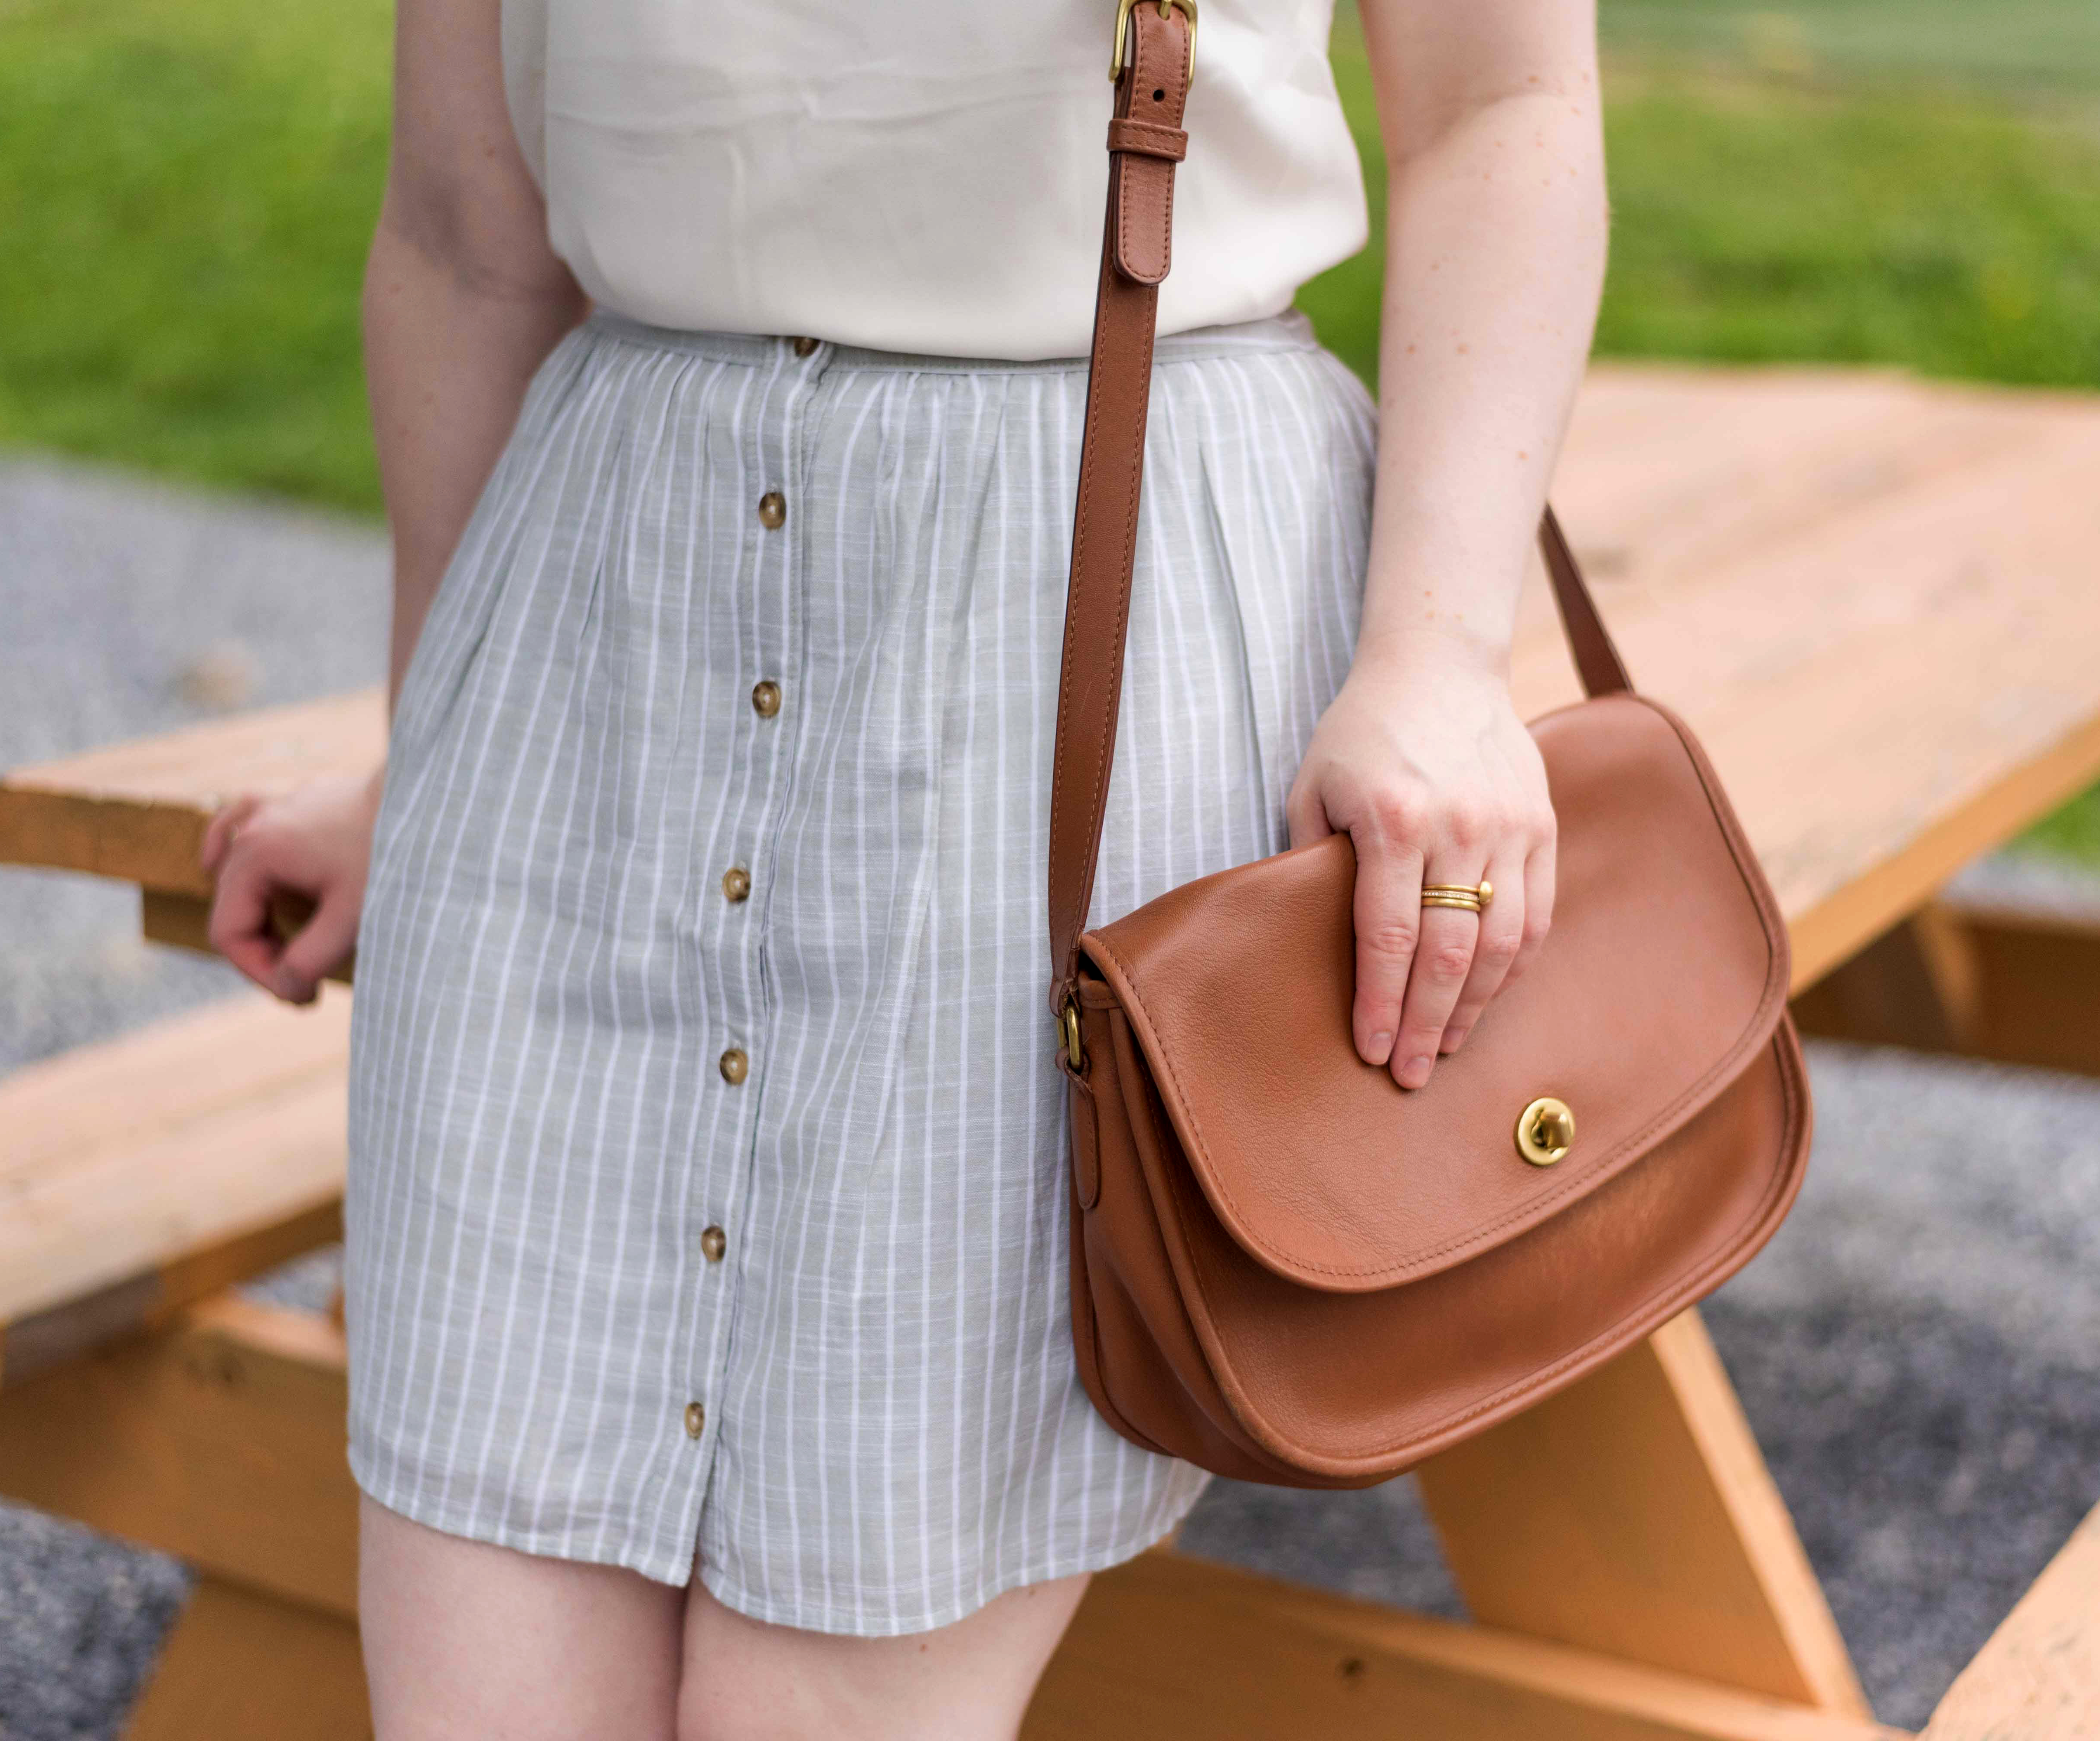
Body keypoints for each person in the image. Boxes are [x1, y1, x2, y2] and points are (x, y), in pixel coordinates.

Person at [197, 0, 1605, 1731]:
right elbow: (467, 239)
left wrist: (1440, 660)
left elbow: (1499, 108)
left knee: (826, 1693)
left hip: (1079, 628)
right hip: (588, 645)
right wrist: (427, 764)